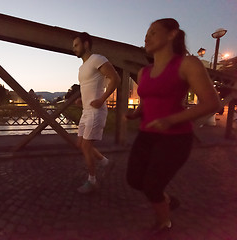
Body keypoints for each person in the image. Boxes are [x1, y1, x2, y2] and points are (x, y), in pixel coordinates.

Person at [126, 18, 221, 234]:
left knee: (152, 185)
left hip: (175, 138)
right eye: (146, 33)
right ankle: (167, 200)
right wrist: (135, 113)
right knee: (134, 180)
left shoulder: (187, 64)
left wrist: (170, 120)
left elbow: (212, 103)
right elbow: (147, 99)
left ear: (172, 34)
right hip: (146, 134)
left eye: (153, 32)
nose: (147, 37)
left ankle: (163, 224)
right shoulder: (144, 72)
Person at [72, 32, 121, 194]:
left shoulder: (98, 59)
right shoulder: (82, 67)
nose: (74, 49)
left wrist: (101, 99)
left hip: (96, 111)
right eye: (73, 46)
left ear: (86, 44)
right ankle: (106, 162)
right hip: (86, 111)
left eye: (76, 45)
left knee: (86, 146)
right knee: (80, 144)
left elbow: (115, 79)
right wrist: (81, 100)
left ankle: (92, 181)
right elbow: (88, 87)